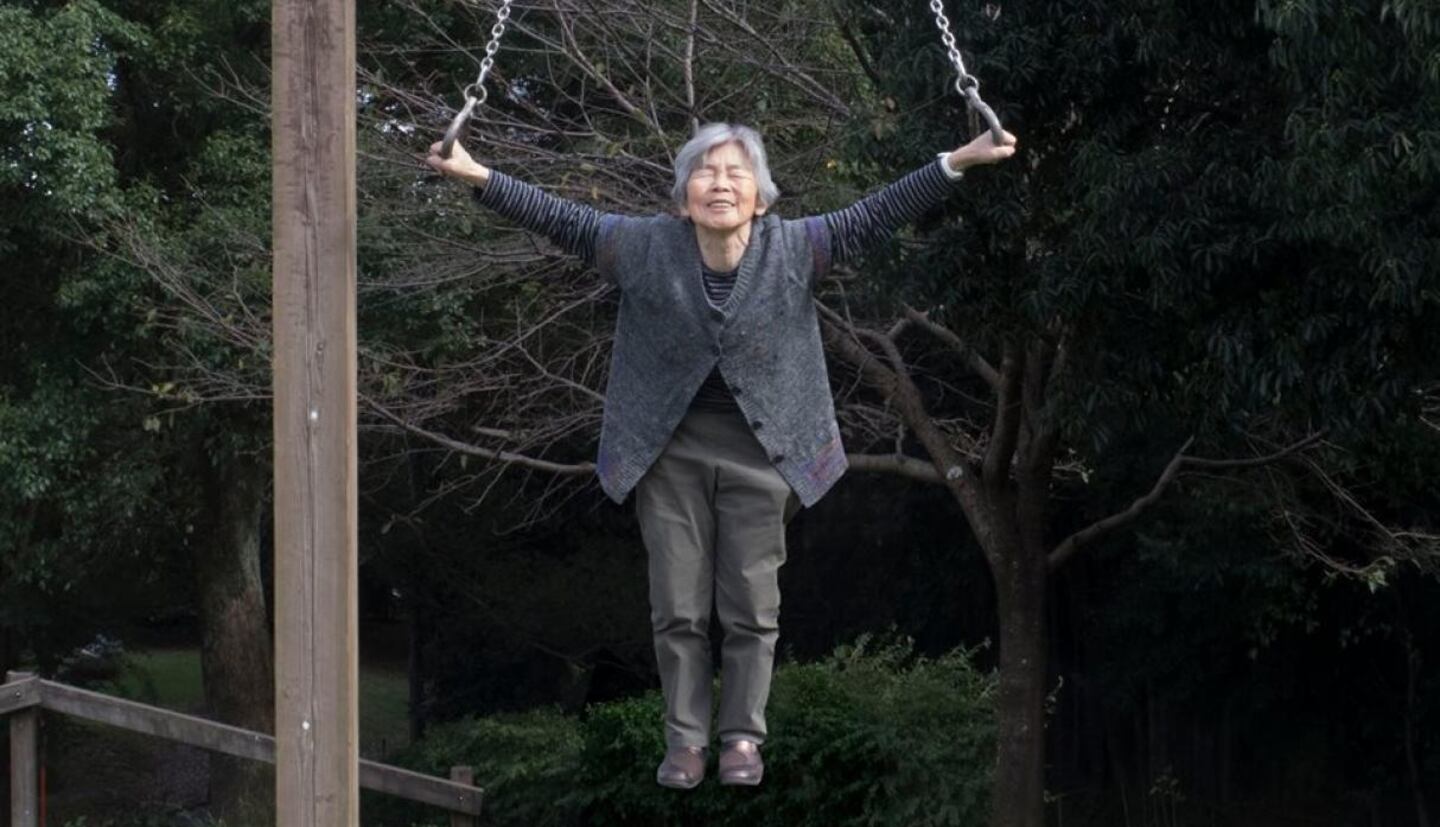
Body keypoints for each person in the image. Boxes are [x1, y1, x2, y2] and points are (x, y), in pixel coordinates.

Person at [427, 122, 1016, 788]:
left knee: (750, 603)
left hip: (766, 448)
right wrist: (476, 175)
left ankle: (741, 738)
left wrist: (957, 158)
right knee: (676, 601)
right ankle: (684, 739)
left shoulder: (795, 248)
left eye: (737, 173)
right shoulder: (644, 247)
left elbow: (875, 212)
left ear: (761, 198)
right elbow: (562, 218)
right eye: (706, 173)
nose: (722, 184)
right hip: (668, 444)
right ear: (682, 200)